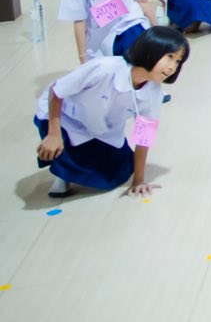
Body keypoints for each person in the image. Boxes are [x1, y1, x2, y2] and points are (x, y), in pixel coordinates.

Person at [34, 27, 187, 198]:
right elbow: (57, 91)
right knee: (68, 152)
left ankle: (71, 164)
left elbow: (144, 136)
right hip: (64, 119)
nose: (172, 67)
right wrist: (53, 134)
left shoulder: (154, 92)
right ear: (150, 50)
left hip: (102, 130)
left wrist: (139, 180)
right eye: (170, 57)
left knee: (121, 171)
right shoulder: (103, 68)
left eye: (178, 61)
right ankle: (62, 174)